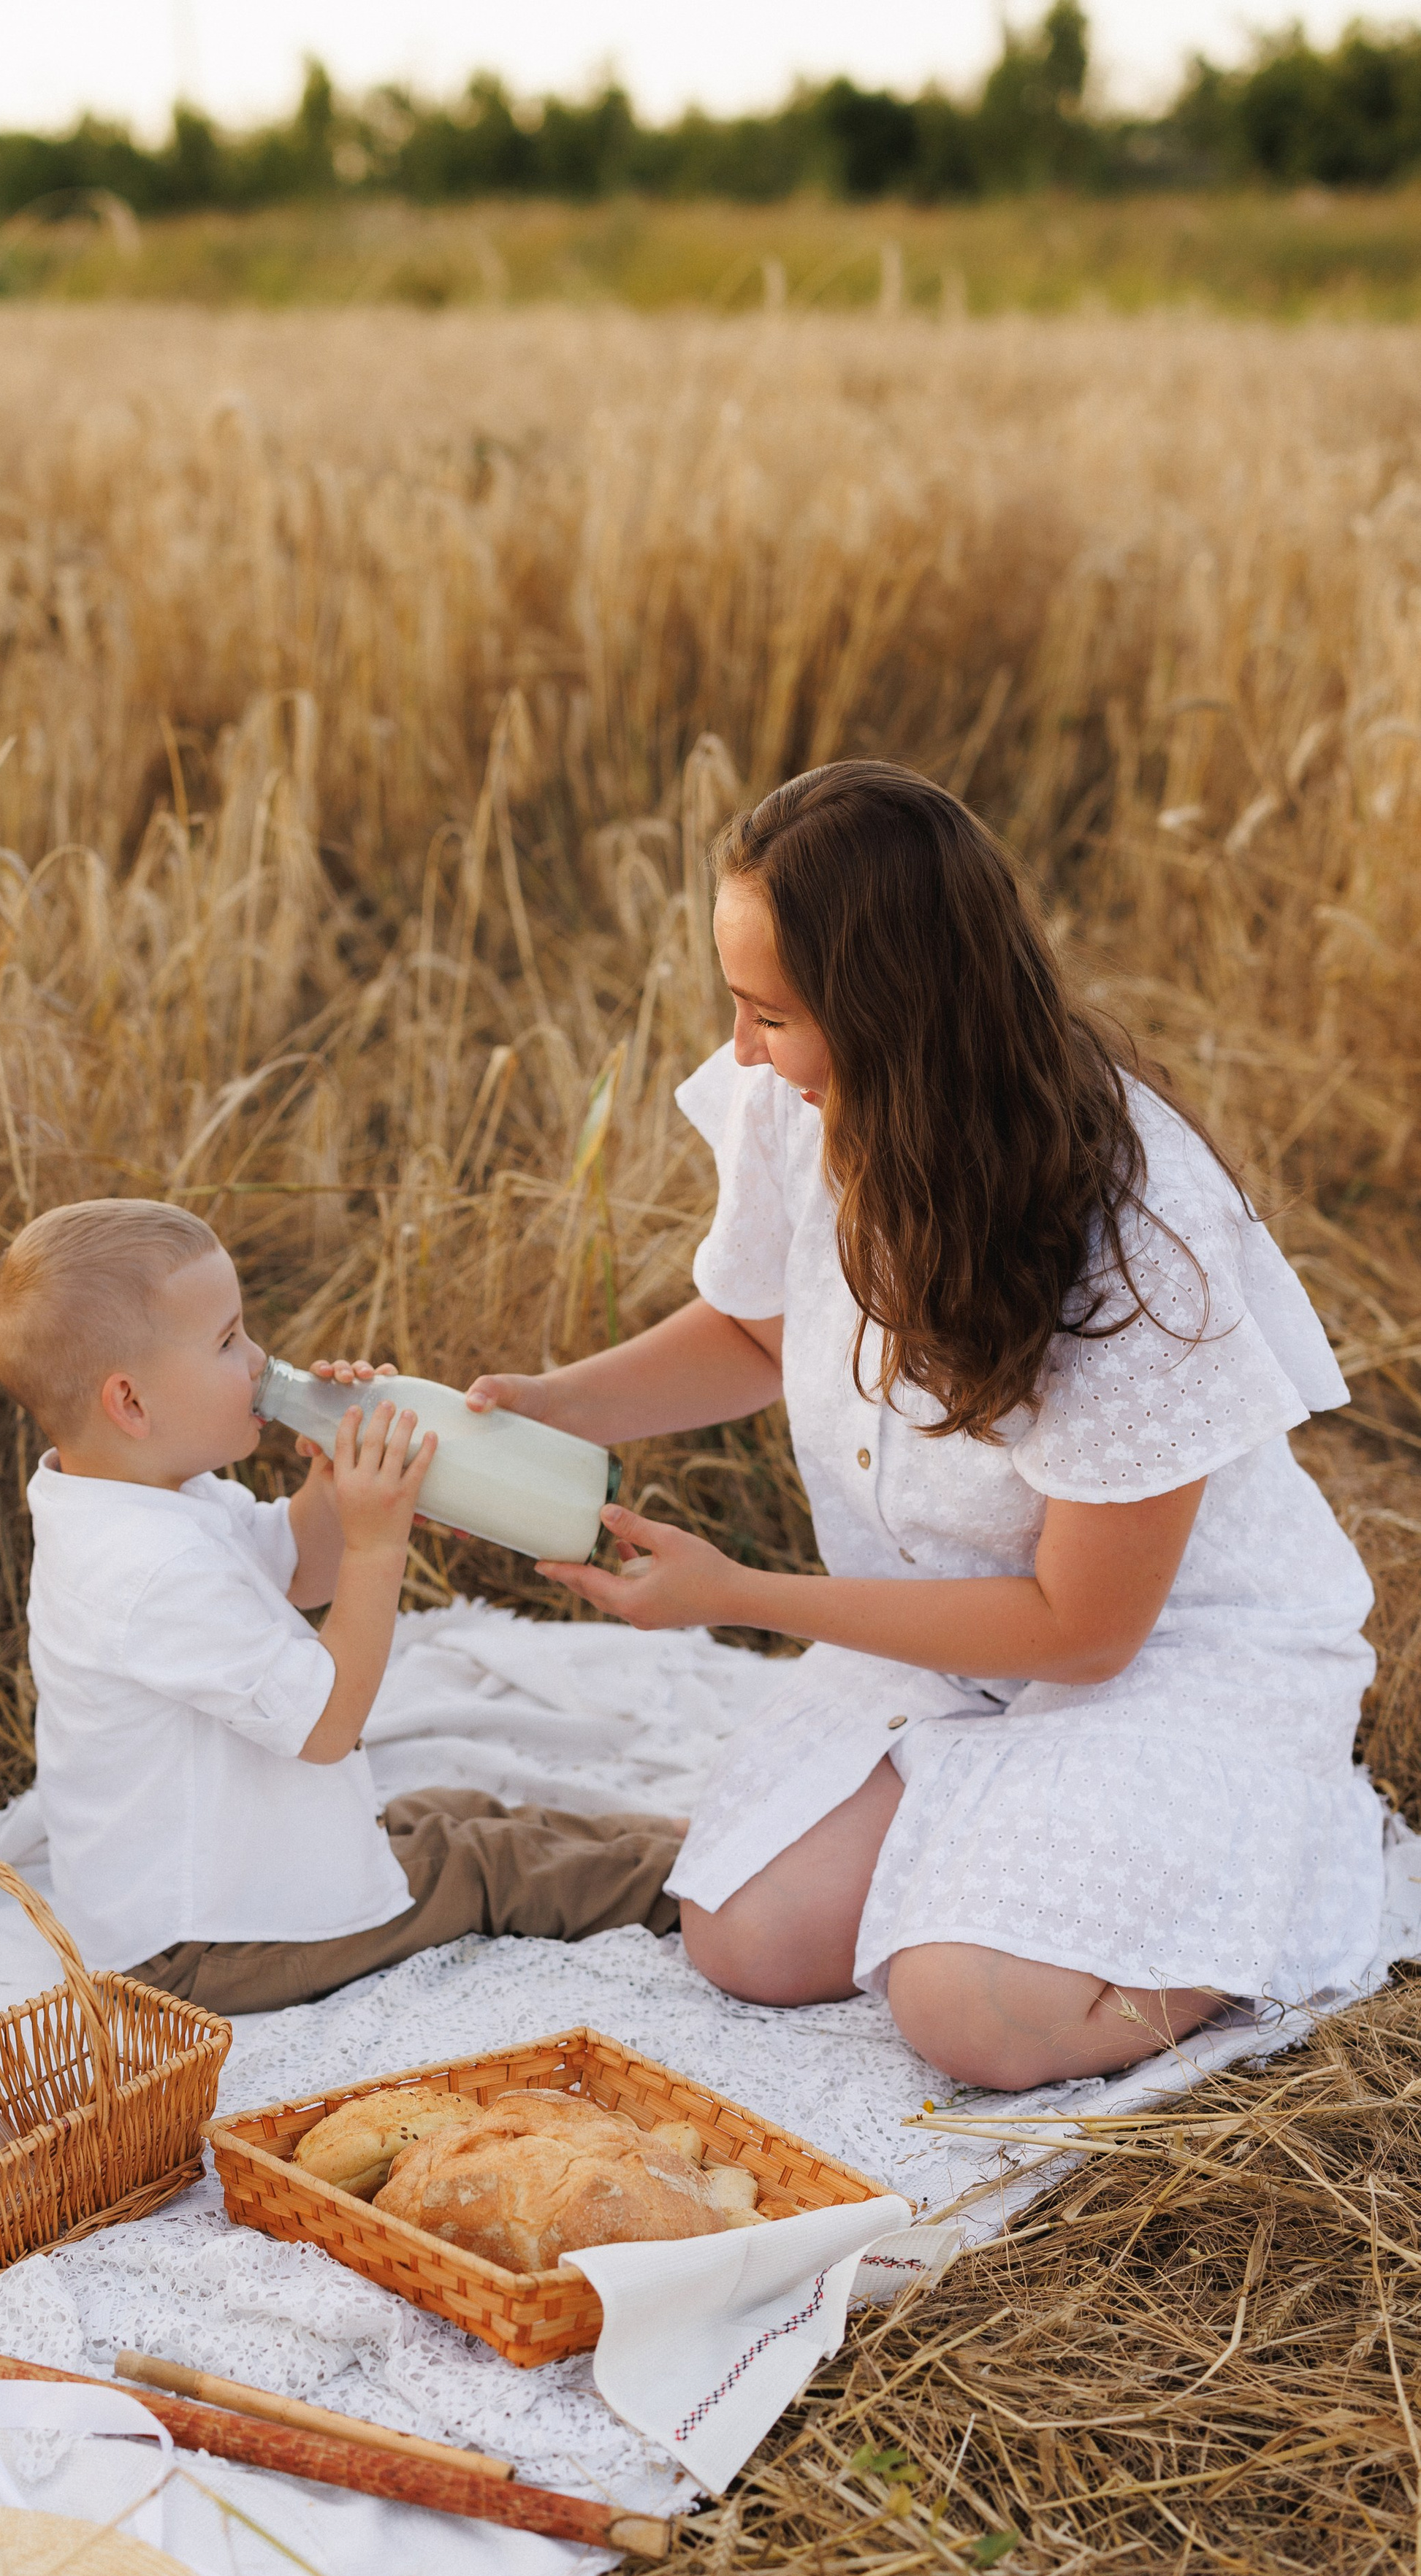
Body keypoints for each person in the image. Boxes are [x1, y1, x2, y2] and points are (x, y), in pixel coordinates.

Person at [465, 760, 1385, 2092]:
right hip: (949, 1637)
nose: (741, 1050)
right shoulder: (805, 1105)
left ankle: (1289, 1862)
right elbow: (752, 1330)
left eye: (770, 1013)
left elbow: (1087, 1629)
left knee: (974, 2018)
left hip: (1165, 1660)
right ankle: (990, 1825)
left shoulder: (1135, 1231)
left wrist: (741, 1594)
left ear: (896, 1013)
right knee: (748, 1936)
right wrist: (544, 1400)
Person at [0, 1198, 682, 2014]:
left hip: (223, 1877)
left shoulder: (135, 1496)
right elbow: (327, 1729)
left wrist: (329, 1483)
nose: (257, 1360)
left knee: (446, 1816)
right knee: (487, 1865)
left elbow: (292, 1572)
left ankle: (666, 1843)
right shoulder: (146, 1569)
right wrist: (378, 1544)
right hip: (198, 1947)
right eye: (226, 1341)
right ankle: (699, 1886)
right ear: (131, 1404)